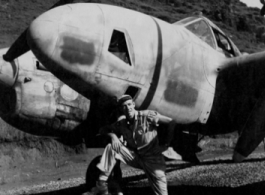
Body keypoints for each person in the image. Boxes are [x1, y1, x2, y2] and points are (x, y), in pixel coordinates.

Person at [94, 95, 176, 195]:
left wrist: (166, 145)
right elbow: (103, 130)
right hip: (136, 157)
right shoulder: (121, 123)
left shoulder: (147, 116)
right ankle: (102, 183)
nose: (128, 108)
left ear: (133, 105)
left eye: (129, 104)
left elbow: (171, 122)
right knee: (112, 147)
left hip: (153, 160)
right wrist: (113, 136)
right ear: (121, 108)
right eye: (124, 106)